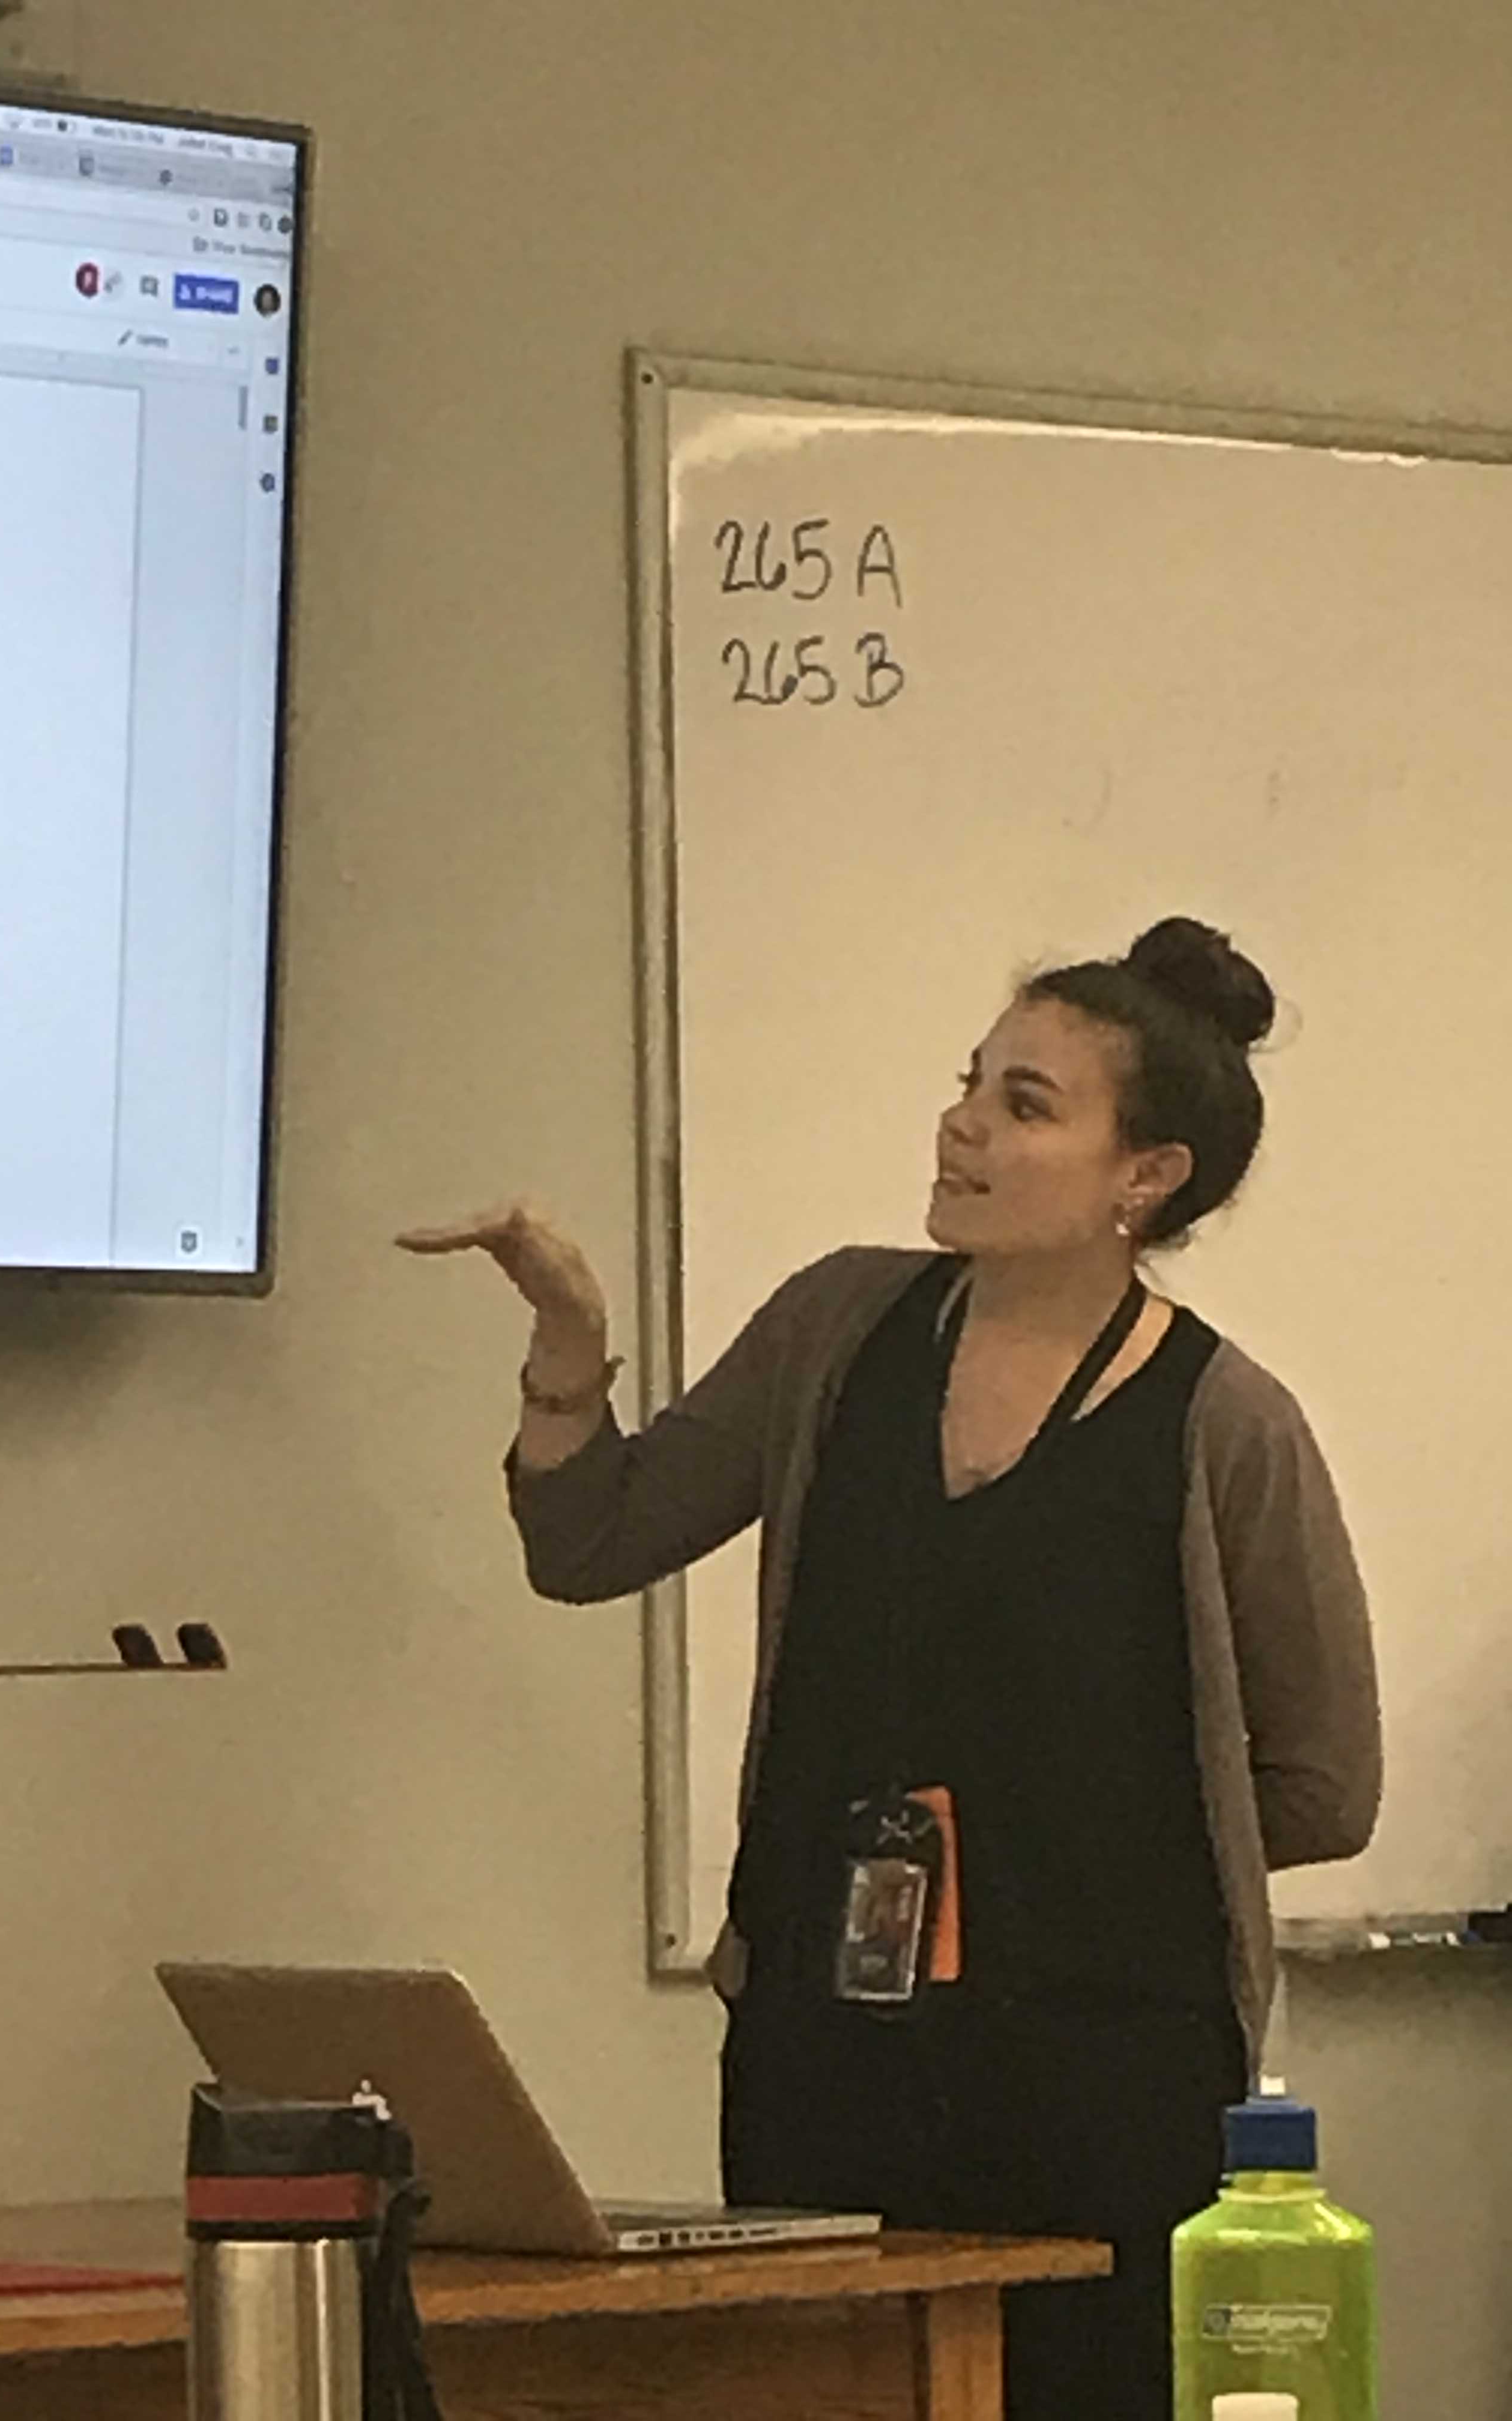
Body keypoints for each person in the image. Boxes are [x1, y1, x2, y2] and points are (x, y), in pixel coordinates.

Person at [396, 916, 1381, 2421]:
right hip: (825, 2048)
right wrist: (570, 1344)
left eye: (1024, 1105)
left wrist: (1070, 1851)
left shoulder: (1225, 1422)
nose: (962, 1125)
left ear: (1146, 1176)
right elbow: (590, 1541)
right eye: (969, 1084)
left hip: (1105, 2082)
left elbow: (1323, 1787)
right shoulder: (838, 1327)